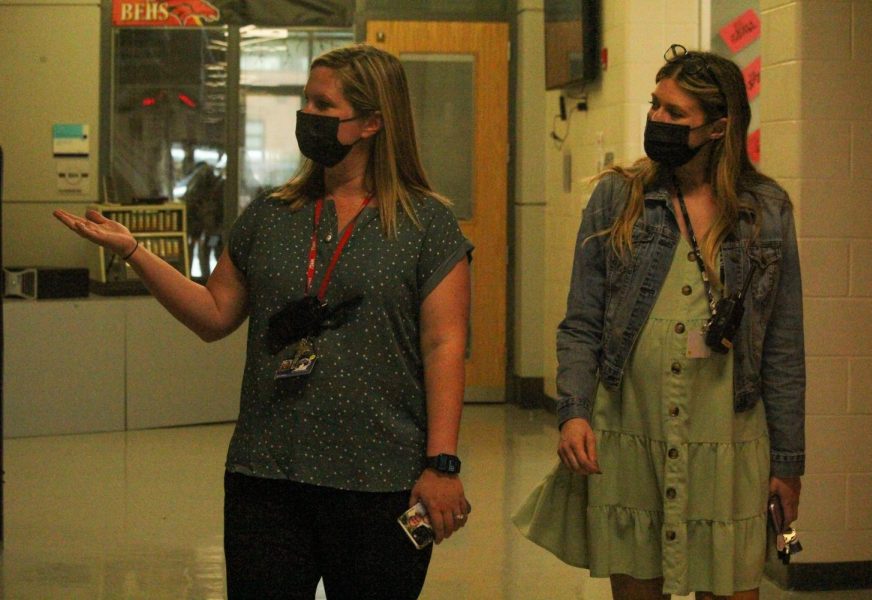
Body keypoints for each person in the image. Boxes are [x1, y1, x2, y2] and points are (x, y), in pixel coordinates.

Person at [55, 43, 472, 600]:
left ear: (373, 122)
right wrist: (135, 251)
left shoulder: (427, 225)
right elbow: (213, 313)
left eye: (324, 106)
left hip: (380, 480)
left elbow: (444, 342)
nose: (308, 117)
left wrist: (441, 465)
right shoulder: (272, 215)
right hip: (267, 476)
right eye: (306, 101)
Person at [514, 44, 804, 600]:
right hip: (632, 429)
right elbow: (581, 322)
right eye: (654, 106)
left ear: (719, 128)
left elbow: (784, 347)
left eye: (675, 114)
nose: (657, 120)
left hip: (730, 438)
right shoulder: (618, 198)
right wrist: (573, 412)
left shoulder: (766, 211)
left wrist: (788, 463)